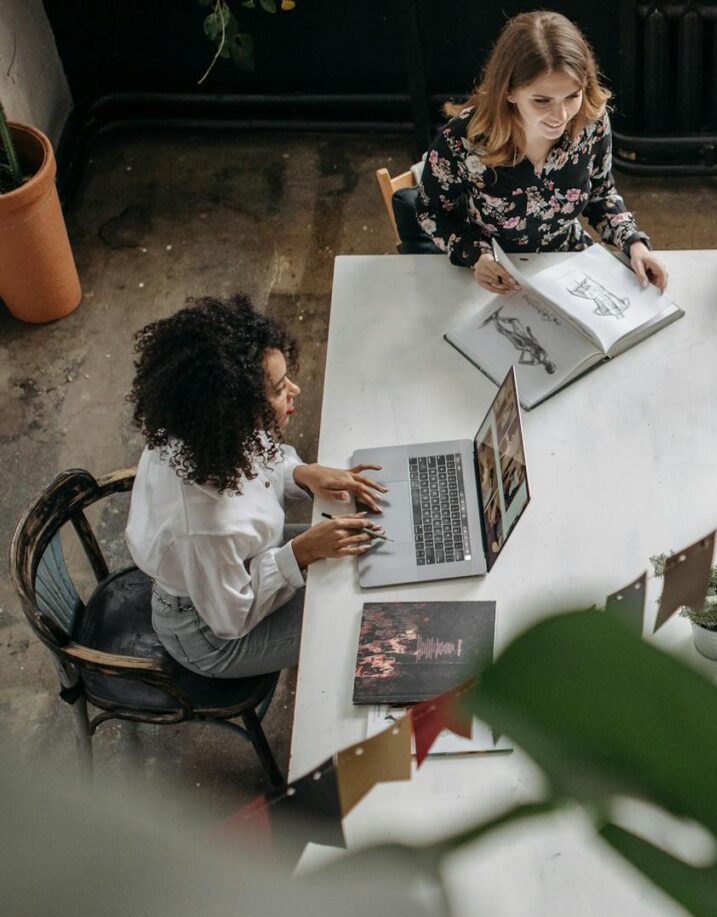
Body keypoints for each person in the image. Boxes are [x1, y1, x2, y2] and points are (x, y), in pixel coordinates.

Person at [126, 296, 386, 678]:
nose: (295, 389)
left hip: (238, 567)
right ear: (236, 410)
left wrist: (300, 474)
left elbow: (257, 461)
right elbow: (232, 619)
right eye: (280, 389)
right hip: (212, 635)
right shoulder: (204, 525)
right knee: (361, 620)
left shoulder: (202, 434)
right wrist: (301, 552)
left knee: (370, 554)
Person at [417, 10, 669, 296]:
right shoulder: (461, 139)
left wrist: (634, 244)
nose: (560, 116)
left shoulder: (592, 123)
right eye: (542, 100)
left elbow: (600, 193)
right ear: (509, 92)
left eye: (572, 96)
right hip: (492, 269)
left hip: (569, 260)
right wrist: (477, 256)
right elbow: (432, 212)